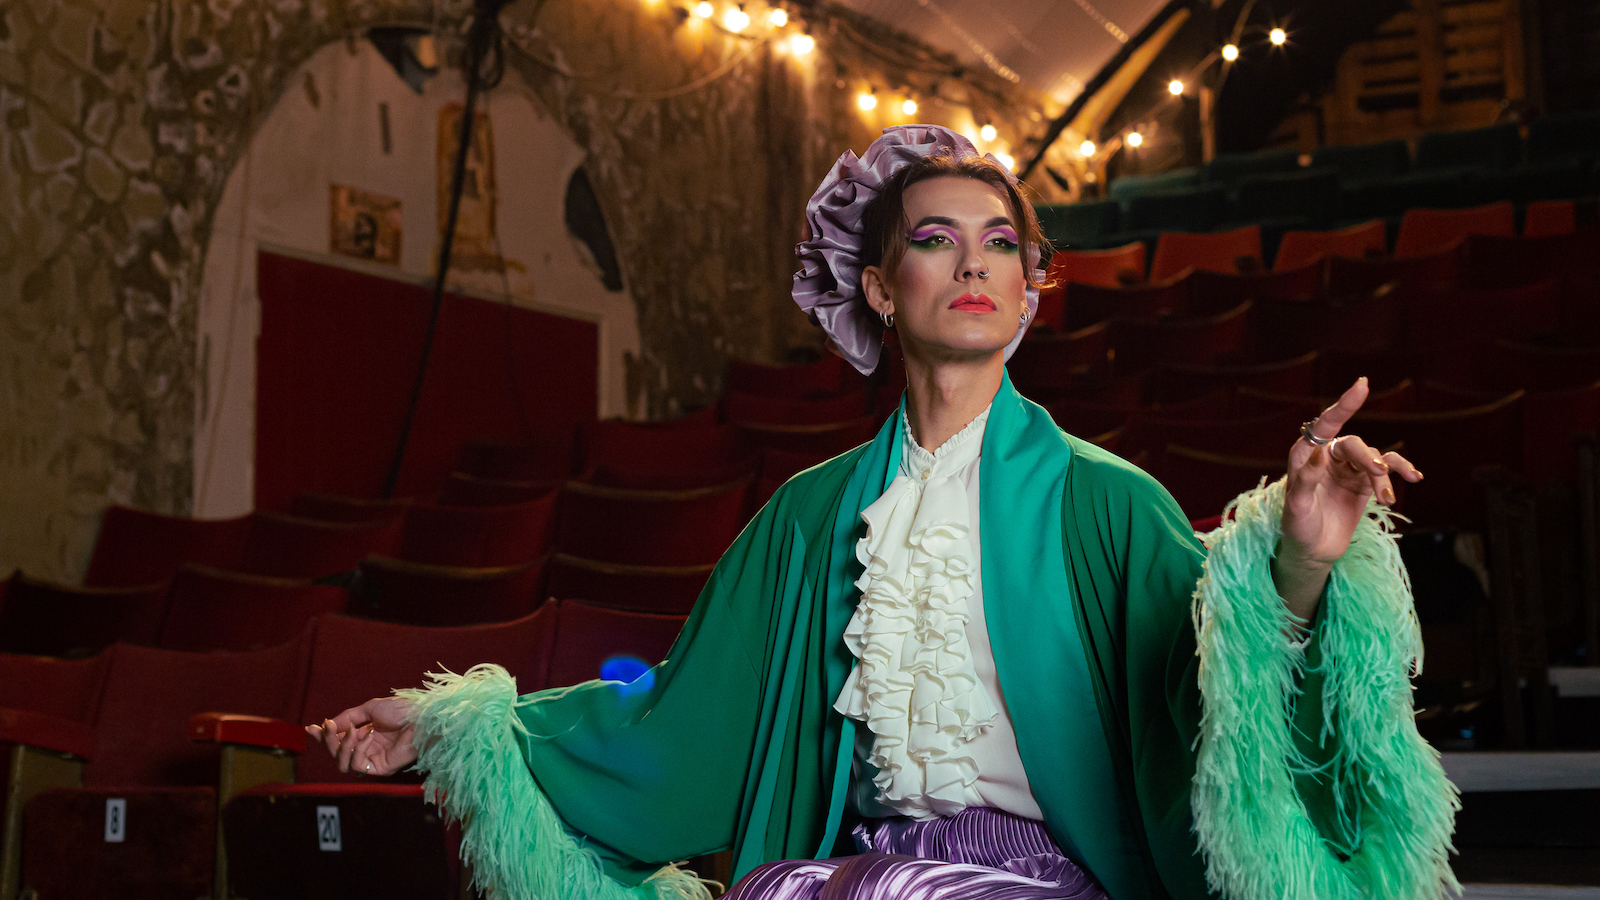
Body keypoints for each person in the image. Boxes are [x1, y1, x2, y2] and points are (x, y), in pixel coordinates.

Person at [308, 126, 1459, 900]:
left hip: (1045, 877)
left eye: (1002, 246)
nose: (975, 265)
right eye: (935, 241)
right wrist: (448, 728)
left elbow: (1209, 697)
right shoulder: (806, 518)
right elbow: (677, 719)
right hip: (846, 871)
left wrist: (1300, 564)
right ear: (875, 287)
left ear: (1028, 295)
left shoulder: (1106, 503)